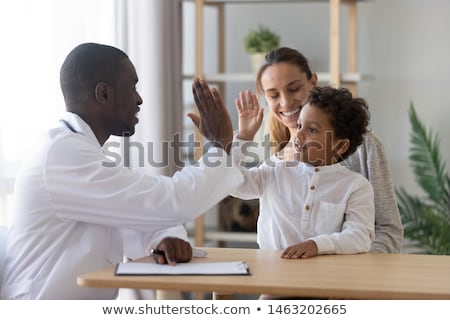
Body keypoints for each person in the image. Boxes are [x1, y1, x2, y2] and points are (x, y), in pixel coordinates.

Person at [1, 42, 243, 299]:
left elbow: (135, 211)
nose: (139, 99)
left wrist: (163, 236)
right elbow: (171, 200)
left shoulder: (82, 152)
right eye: (132, 88)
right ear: (103, 94)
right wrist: (220, 145)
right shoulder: (64, 154)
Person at [235, 47, 403, 254]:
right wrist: (242, 138)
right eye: (273, 95)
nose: (286, 102)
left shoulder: (363, 149)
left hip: (343, 281)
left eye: (294, 88)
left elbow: (387, 230)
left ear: (313, 82)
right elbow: (233, 183)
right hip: (276, 280)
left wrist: (358, 275)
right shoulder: (275, 165)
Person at [233, 85, 375, 258]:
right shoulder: (276, 169)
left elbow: (359, 237)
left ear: (340, 145)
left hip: (323, 280)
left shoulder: (356, 186)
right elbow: (235, 185)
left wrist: (316, 245)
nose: (298, 135)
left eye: (312, 130)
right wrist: (243, 137)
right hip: (271, 274)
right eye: (299, 125)